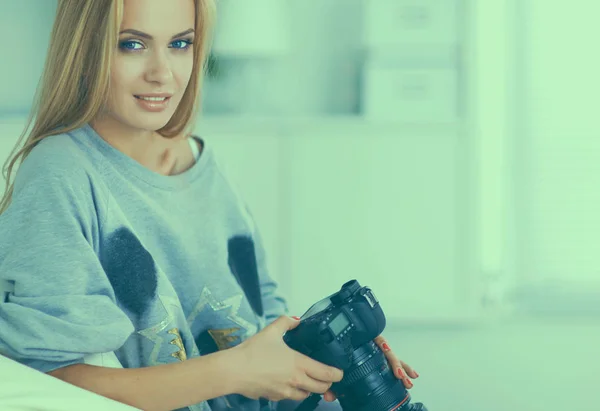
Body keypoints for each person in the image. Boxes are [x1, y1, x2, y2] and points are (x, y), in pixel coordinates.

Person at [0, 1, 419, 410]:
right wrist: (237, 371)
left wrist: (334, 356)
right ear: (86, 50)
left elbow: (259, 315)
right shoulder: (61, 174)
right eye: (132, 44)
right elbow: (51, 383)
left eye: (180, 44)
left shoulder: (198, 160)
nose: (162, 73)